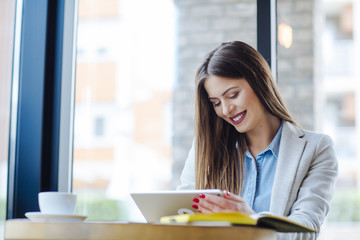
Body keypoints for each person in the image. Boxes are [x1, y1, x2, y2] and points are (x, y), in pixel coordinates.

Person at [177, 41, 338, 239]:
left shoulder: (316, 149)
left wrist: (252, 220)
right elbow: (180, 214)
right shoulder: (205, 149)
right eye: (216, 103)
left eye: (233, 95)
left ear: (259, 80)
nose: (226, 110)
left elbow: (305, 229)